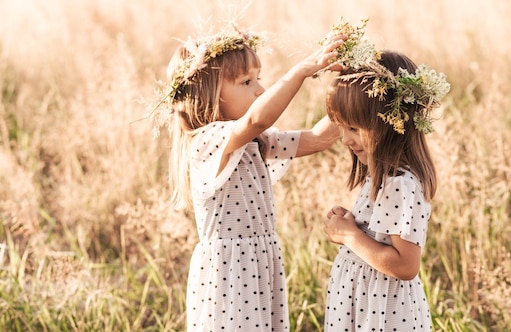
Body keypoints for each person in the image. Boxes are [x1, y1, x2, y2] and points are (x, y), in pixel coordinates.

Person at [152, 23, 346, 331]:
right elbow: (257, 118)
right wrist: (300, 71)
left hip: (258, 264)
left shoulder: (256, 142)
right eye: (246, 81)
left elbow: (318, 139)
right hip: (229, 273)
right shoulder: (207, 141)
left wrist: (354, 98)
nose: (259, 89)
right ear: (209, 94)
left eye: (259, 78)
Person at [323, 48, 450, 331]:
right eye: (342, 128)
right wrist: (353, 224)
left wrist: (349, 236)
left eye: (354, 128)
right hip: (368, 303)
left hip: (384, 313)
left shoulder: (399, 184)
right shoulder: (383, 177)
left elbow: (405, 265)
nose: (344, 139)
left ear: (391, 125)